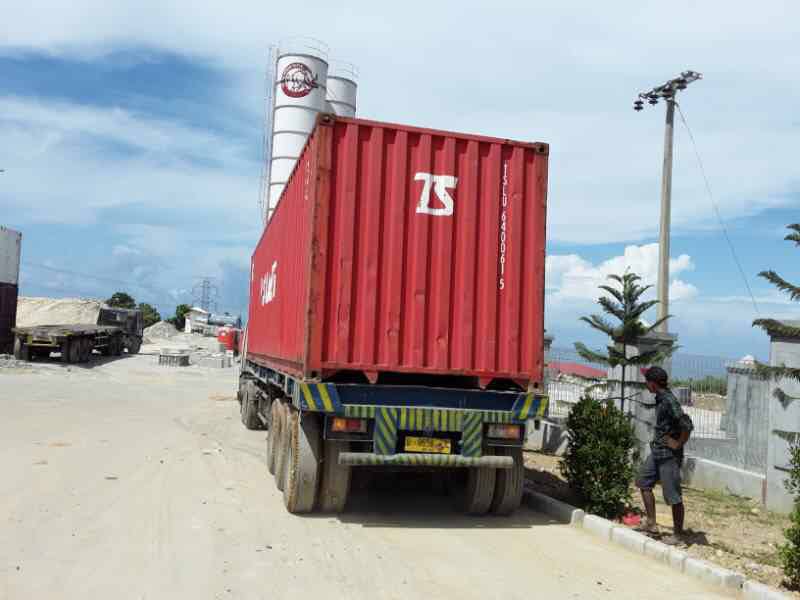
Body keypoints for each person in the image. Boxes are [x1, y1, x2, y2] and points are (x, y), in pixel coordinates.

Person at [635, 366, 694, 545]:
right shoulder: (661, 398)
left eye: (647, 381)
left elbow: (686, 424)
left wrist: (678, 443)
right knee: (643, 482)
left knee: (673, 496)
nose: (645, 384)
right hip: (658, 451)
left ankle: (678, 535)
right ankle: (651, 523)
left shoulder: (669, 400)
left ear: (653, 384)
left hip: (669, 455)